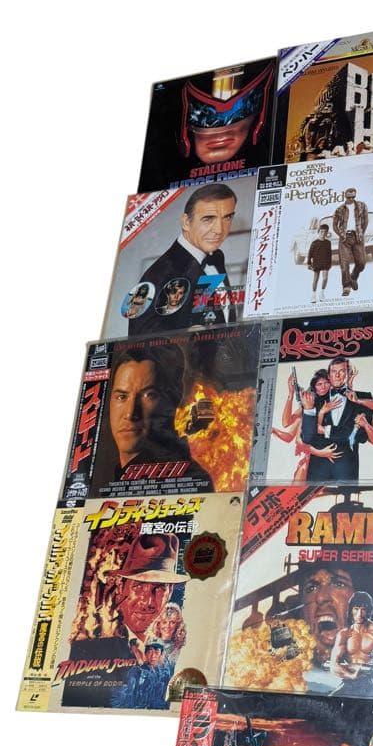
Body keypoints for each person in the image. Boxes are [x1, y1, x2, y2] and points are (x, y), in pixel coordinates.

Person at [93, 345, 214, 494]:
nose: (130, 413)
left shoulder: (191, 479)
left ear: (174, 399)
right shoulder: (119, 480)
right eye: (122, 397)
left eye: (149, 395)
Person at [129, 183, 238, 337]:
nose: (219, 230)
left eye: (227, 217)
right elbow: (141, 342)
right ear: (186, 222)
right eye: (208, 219)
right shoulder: (159, 274)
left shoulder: (216, 257)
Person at [69, 531, 189, 663]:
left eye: (159, 588)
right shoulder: (92, 647)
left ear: (170, 592)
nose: (147, 602)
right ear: (121, 587)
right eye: (138, 587)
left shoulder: (165, 649)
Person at [300, 357, 373, 481]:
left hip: (346, 467)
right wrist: (310, 411)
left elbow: (360, 436)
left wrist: (325, 430)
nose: (337, 375)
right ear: (329, 375)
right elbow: (307, 437)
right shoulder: (314, 399)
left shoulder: (363, 398)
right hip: (318, 468)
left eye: (342, 371)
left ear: (348, 374)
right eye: (334, 371)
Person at [329, 591, 373, 696]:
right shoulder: (344, 634)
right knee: (330, 700)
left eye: (363, 609)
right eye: (356, 609)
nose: (359, 614)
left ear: (369, 611)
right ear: (351, 610)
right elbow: (333, 665)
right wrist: (351, 676)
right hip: (350, 681)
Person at [113, 640, 171, 710]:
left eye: (157, 652)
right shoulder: (136, 671)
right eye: (150, 652)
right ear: (146, 654)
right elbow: (129, 694)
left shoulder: (165, 673)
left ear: (161, 655)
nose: (153, 656)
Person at [332, 188, 368, 296]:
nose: (351, 199)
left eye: (353, 197)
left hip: (358, 237)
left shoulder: (362, 205)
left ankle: (353, 278)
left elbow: (366, 221)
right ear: (345, 196)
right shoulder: (339, 209)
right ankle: (346, 287)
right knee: (344, 264)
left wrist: (361, 233)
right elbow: (334, 225)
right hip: (345, 238)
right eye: (349, 197)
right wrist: (341, 235)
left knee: (361, 263)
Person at [307, 223, 332, 302]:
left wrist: (329, 263)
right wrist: (309, 263)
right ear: (318, 232)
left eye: (325, 232)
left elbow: (329, 254)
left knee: (325, 278)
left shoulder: (328, 243)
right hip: (317, 262)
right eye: (321, 231)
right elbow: (310, 254)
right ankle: (313, 295)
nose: (323, 233)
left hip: (325, 263)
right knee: (316, 279)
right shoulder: (314, 243)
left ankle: (322, 293)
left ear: (327, 233)